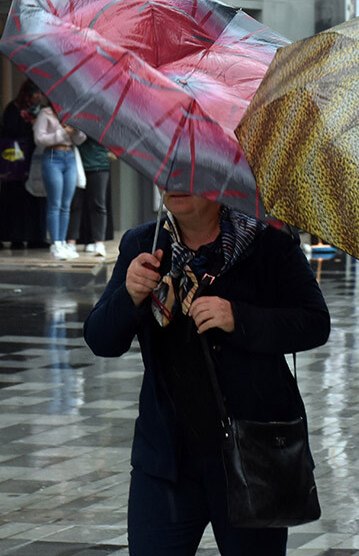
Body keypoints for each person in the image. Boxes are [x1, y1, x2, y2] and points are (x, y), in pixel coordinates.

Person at [85, 193, 331, 555]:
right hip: (166, 461)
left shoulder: (268, 242)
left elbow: (314, 323)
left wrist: (239, 318)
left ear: (218, 180)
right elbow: (101, 339)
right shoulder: (144, 246)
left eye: (193, 170)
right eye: (174, 169)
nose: (178, 184)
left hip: (252, 458)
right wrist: (129, 295)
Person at [33, 95, 86, 260]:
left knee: (66, 204)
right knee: (55, 203)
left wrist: (75, 130)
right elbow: (39, 138)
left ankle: (63, 242)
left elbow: (81, 139)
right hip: (53, 156)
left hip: (69, 157)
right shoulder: (45, 113)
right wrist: (62, 132)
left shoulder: (70, 114)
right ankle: (55, 243)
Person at [0, 80, 44, 249]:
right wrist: (28, 125)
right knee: (15, 201)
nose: (37, 100)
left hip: (31, 162)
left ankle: (33, 236)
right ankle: (16, 236)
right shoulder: (13, 109)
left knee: (32, 199)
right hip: (15, 164)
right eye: (35, 96)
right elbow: (10, 132)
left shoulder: (38, 111)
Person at [68, 140, 112, 257]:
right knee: (75, 204)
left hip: (99, 165)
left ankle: (99, 242)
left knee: (98, 204)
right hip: (76, 163)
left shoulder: (102, 124)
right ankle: (71, 242)